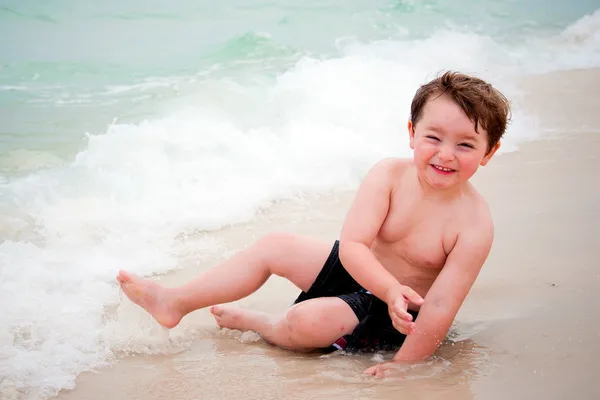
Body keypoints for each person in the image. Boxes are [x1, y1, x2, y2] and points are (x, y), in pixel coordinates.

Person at [116, 71, 510, 378]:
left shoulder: (473, 225)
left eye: (465, 144)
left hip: (395, 315)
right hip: (365, 274)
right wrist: (387, 285)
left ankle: (266, 325)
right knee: (274, 246)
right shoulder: (388, 175)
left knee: (306, 321)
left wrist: (406, 364)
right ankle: (175, 302)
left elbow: (440, 307)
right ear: (411, 133)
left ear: (488, 152)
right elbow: (353, 246)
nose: (445, 154)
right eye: (434, 137)